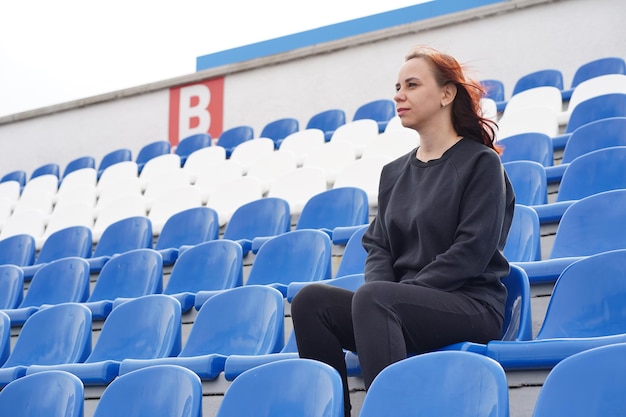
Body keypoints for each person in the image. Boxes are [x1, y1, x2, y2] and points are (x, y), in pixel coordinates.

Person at [290, 45, 515, 417]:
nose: (399, 95)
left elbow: (472, 251)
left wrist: (395, 294)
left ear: (446, 94)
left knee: (376, 299)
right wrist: (387, 295)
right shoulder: (393, 172)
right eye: (397, 86)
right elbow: (378, 246)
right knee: (311, 303)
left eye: (411, 85)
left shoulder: (481, 162)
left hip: (469, 303)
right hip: (395, 305)